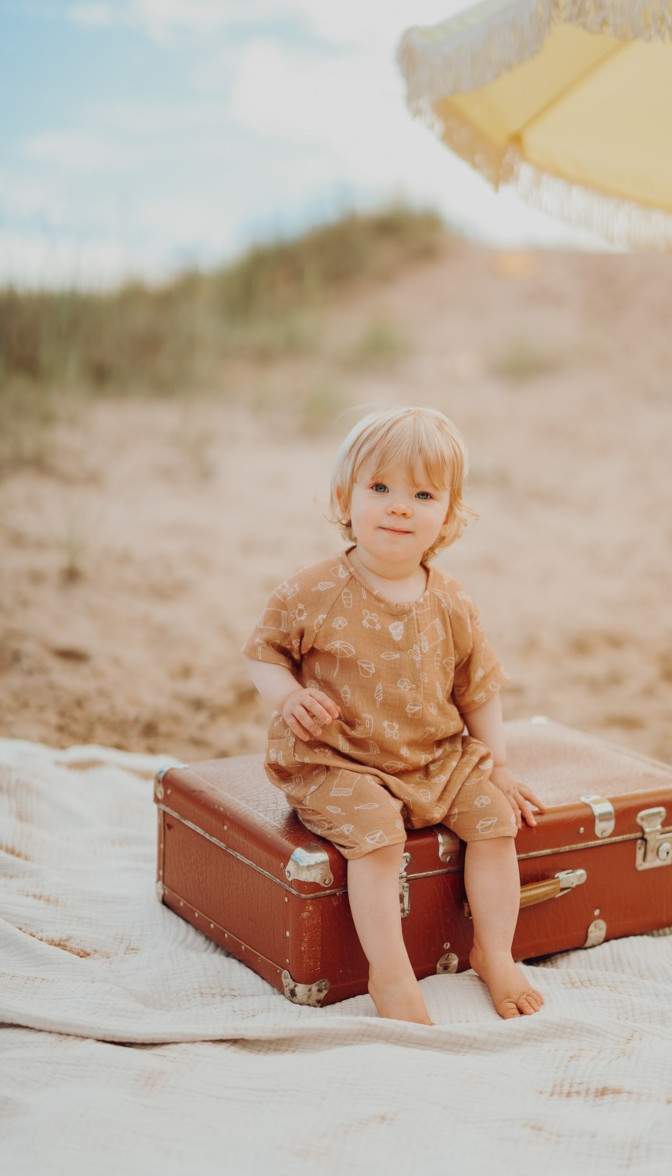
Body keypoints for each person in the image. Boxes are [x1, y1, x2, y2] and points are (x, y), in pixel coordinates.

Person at [243, 406, 544, 1024]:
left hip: (434, 757)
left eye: (422, 493)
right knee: (377, 839)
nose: (399, 506)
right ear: (344, 498)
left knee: (493, 819)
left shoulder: (452, 600)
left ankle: (494, 951)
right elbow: (263, 654)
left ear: (449, 515)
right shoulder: (313, 590)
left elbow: (478, 689)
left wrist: (501, 768)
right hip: (338, 760)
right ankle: (391, 971)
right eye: (379, 488)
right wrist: (289, 695)